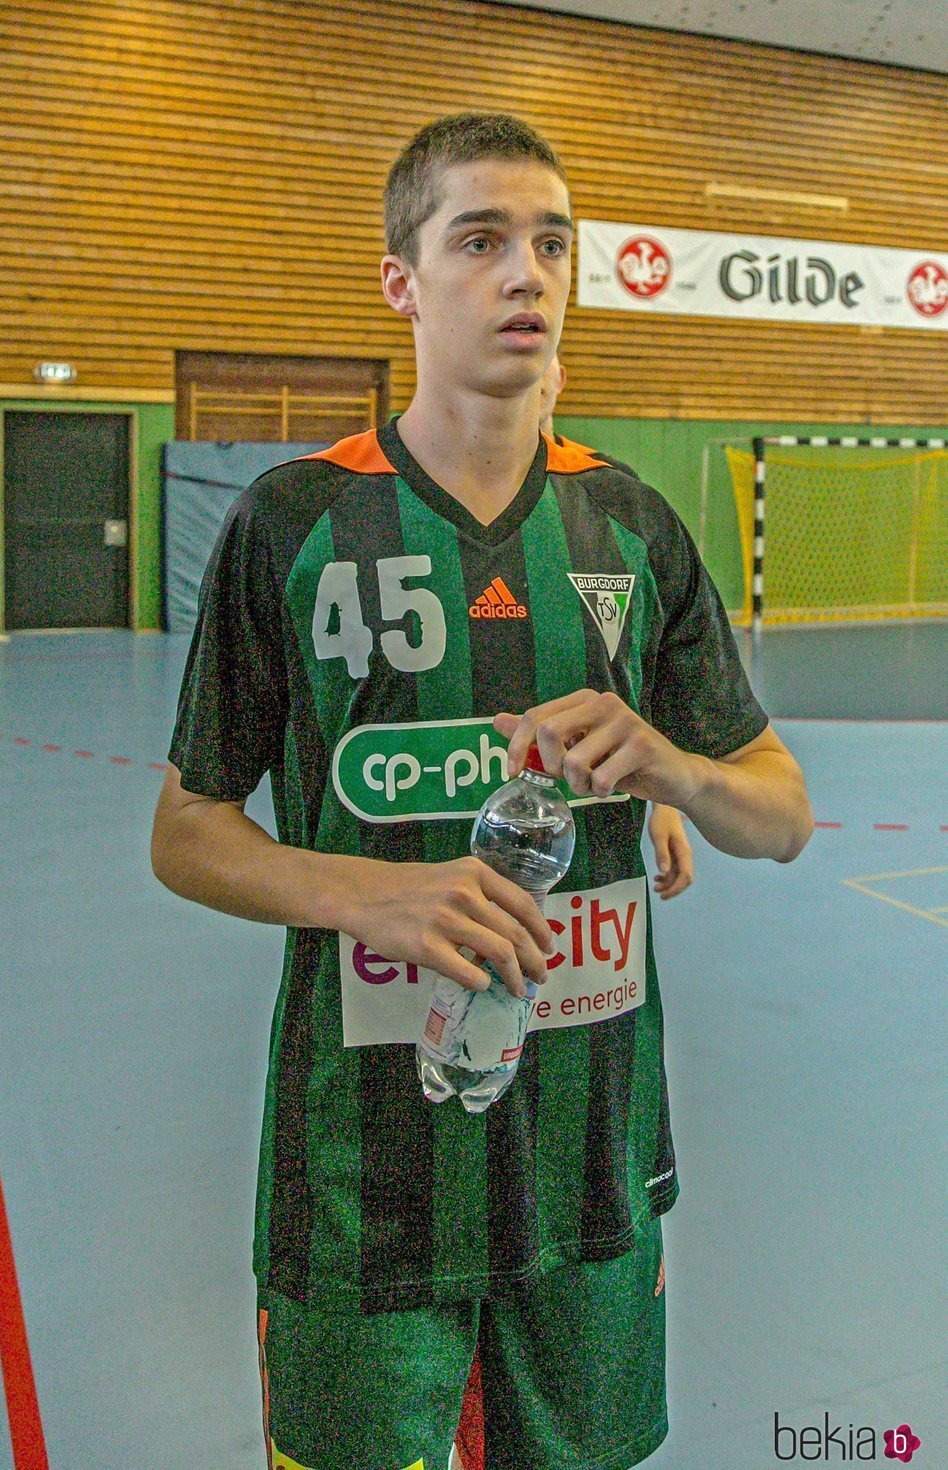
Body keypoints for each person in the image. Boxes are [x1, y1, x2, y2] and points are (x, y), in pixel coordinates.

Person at [151, 112, 813, 1470]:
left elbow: (783, 814)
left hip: (593, 1174)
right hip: (361, 1189)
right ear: (403, 279)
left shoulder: (633, 526)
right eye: (482, 239)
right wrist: (376, 893)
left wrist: (675, 766)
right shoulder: (292, 522)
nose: (528, 271)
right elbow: (188, 831)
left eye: (553, 241)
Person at [537, 351, 694, 902]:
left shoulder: (612, 493)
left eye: (544, 361)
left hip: (592, 809)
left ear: (559, 377)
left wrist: (666, 803)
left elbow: (639, 666)